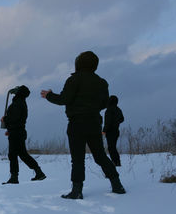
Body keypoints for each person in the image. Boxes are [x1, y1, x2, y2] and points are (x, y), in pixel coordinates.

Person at [41, 51, 126, 199]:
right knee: (100, 156)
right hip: (94, 122)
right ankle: (117, 185)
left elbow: (64, 99)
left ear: (78, 63)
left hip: (77, 124)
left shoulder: (74, 80)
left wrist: (48, 95)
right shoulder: (101, 82)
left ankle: (77, 191)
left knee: (78, 158)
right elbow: (104, 103)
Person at [1, 85, 46, 184]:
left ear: (19, 93)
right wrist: (9, 128)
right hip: (18, 131)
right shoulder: (21, 103)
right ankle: (39, 172)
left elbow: (14, 118)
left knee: (13, 154)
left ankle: (14, 177)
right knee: (22, 154)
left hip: (16, 132)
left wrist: (5, 120)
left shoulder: (17, 104)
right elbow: (17, 120)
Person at [103, 95, 124, 167]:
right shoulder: (118, 110)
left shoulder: (109, 110)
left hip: (110, 132)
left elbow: (107, 123)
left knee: (111, 148)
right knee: (113, 147)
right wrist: (116, 122)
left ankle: (115, 162)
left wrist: (104, 131)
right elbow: (122, 119)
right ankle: (117, 162)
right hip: (116, 131)